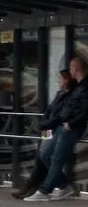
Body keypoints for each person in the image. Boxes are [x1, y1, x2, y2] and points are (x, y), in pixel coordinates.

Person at [24, 57, 88, 201]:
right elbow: (52, 110)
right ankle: (64, 185)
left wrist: (71, 123)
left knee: (56, 158)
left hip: (66, 128)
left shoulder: (82, 88)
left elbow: (84, 110)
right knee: (44, 154)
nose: (59, 81)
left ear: (75, 70)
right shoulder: (70, 90)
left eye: (61, 78)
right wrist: (47, 124)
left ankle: (43, 190)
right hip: (54, 128)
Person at [13, 70, 78, 199]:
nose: (58, 81)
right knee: (41, 155)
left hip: (54, 128)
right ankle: (34, 184)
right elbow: (49, 110)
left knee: (45, 156)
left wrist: (46, 124)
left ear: (67, 80)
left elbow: (59, 115)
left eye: (60, 79)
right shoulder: (60, 94)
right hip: (48, 129)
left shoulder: (70, 96)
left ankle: (34, 184)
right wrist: (44, 124)